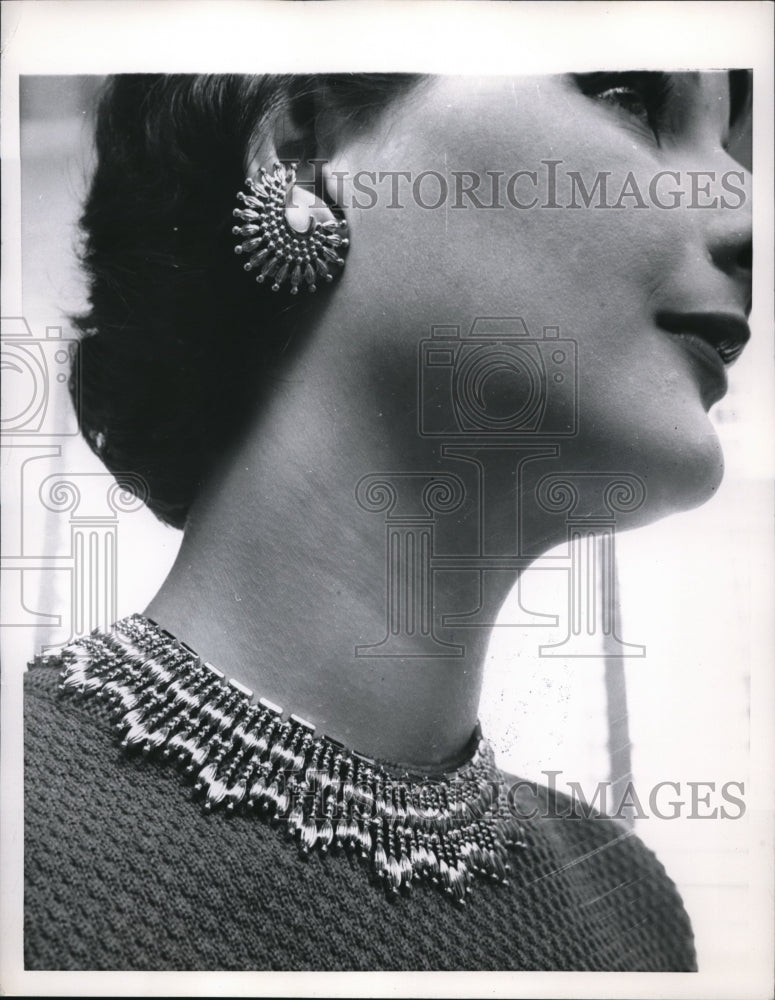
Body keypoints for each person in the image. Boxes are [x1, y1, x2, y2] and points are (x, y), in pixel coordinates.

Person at [24, 70, 751, 971]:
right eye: (628, 102)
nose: (746, 216)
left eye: (734, 147)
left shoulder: (631, 917)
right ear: (301, 146)